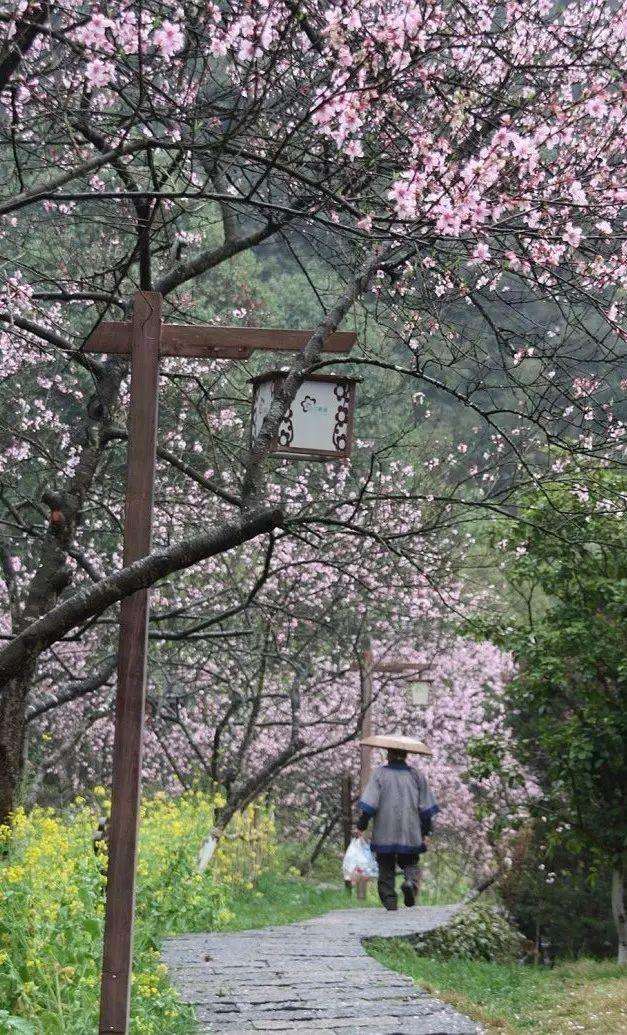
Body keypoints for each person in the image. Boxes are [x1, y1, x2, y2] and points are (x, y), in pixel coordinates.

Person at [355, 736, 439, 911]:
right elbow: (425, 807)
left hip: (384, 830)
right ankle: (410, 883)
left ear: (389, 755)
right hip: (410, 830)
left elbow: (370, 804)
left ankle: (390, 902)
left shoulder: (380, 774)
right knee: (410, 862)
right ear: (406, 755)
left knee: (386, 866)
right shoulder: (416, 775)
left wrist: (361, 825)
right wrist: (426, 831)